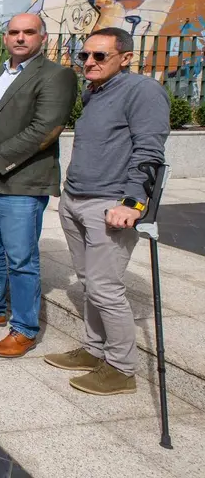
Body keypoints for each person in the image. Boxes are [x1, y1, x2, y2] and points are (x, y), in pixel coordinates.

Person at [44, 27, 168, 395]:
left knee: (105, 287)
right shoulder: (95, 92)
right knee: (88, 281)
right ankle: (94, 349)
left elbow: (150, 151)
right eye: (84, 56)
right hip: (77, 197)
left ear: (126, 57)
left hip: (111, 204)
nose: (89, 63)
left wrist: (133, 202)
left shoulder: (143, 91)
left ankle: (120, 367)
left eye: (100, 56)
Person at [0, 13, 77, 358]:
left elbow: (44, 128)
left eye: (28, 32)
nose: (20, 38)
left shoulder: (57, 75)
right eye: (13, 32)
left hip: (20, 182)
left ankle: (24, 328)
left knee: (21, 258)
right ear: (4, 38)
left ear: (43, 37)